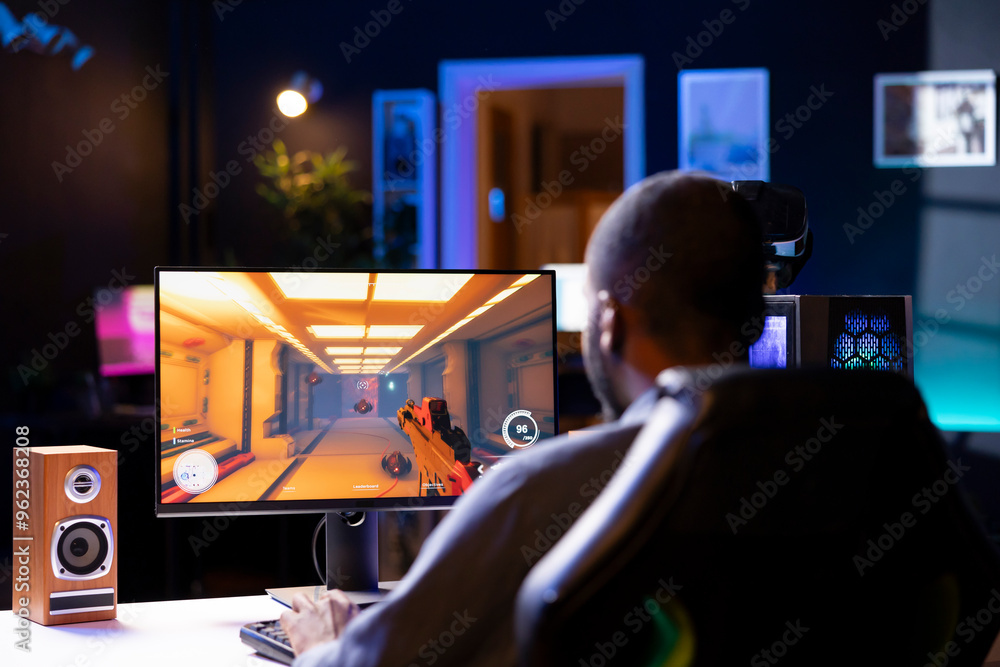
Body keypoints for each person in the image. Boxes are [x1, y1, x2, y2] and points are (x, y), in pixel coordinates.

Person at [282, 170, 766, 666]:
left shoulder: (535, 491)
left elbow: (380, 661)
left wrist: (323, 647)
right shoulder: (822, 460)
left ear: (610, 321)